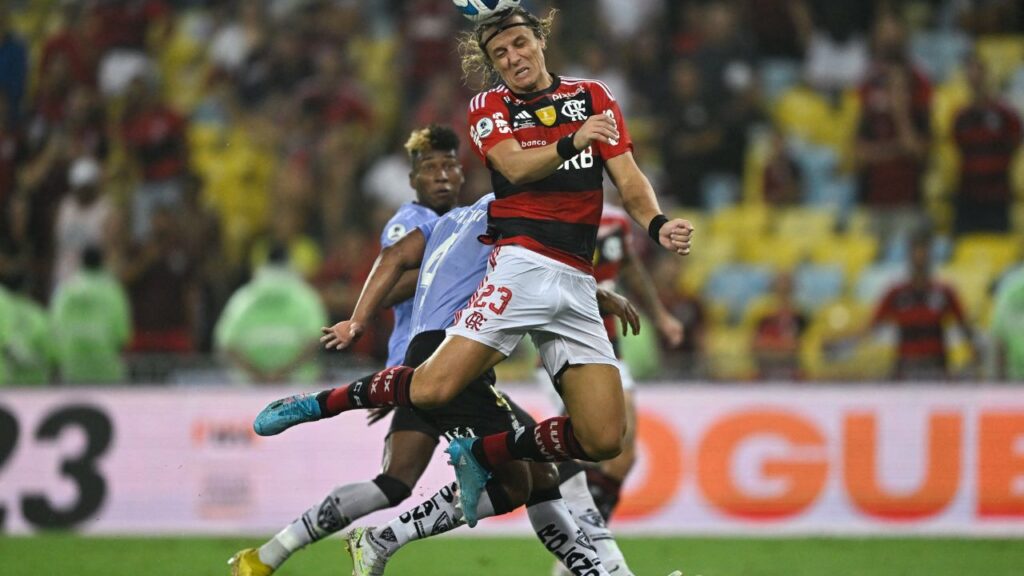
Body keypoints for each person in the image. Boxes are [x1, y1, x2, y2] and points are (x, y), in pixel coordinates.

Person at [255, 6, 691, 528]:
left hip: (576, 277)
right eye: (500, 54)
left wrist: (657, 223)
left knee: (603, 439)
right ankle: (319, 403)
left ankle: (488, 452)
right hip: (521, 267)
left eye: (520, 45)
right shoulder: (490, 106)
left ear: (541, 41)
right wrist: (577, 139)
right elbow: (515, 166)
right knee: (432, 388)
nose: (513, 58)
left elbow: (629, 179)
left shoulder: (593, 98)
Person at [233, 192, 646, 575]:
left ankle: (270, 554)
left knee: (535, 474)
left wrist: (360, 319)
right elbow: (542, 275)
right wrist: (595, 294)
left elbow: (398, 260)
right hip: (452, 352)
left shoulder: (446, 222)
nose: (444, 175)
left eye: (449, 165)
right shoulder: (503, 213)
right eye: (432, 166)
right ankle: (380, 534)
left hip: (451, 358)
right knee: (519, 477)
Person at [542, 200, 684, 527]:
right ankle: (582, 544)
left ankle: (582, 544)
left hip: (608, 346)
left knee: (624, 457)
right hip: (562, 343)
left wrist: (660, 316)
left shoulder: (616, 221)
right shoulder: (547, 213)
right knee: (586, 446)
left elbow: (630, 266)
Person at [214, 241, 327, 384]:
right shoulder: (305, 296)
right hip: (298, 387)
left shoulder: (244, 297)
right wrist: (283, 373)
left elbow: (226, 344)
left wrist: (258, 375)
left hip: (249, 389)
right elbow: (316, 339)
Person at [870, 231, 973, 380]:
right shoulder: (896, 293)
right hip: (905, 367)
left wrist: (973, 357)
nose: (920, 256)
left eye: (924, 251)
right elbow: (871, 328)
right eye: (916, 251)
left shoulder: (944, 292)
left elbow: (965, 329)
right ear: (909, 255)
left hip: (937, 367)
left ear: (931, 255)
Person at [952, 54, 1022, 235]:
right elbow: (958, 150)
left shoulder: (1005, 115)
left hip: (997, 196)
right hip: (968, 196)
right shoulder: (961, 117)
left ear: (988, 75)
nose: (974, 78)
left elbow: (1015, 145)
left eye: (978, 72)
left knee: (999, 246)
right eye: (970, 72)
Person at [50, 245, 131, 384]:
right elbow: (122, 333)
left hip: (72, 366)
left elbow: (54, 325)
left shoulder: (66, 289)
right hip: (105, 366)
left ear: (81, 262)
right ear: (103, 262)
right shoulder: (112, 290)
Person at [991, 264, 1024, 381]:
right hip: (1015, 379)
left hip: (1013, 379)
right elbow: (999, 338)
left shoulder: (1010, 284)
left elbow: (999, 339)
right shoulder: (1012, 286)